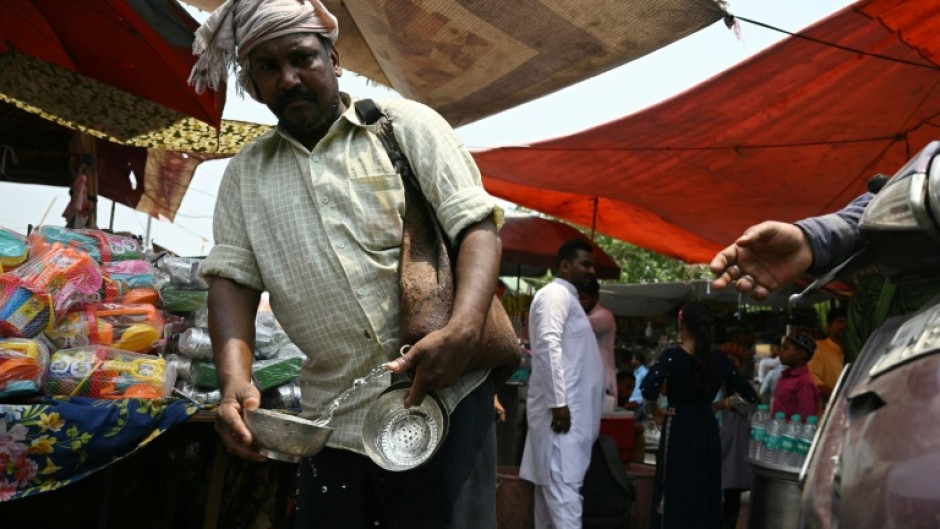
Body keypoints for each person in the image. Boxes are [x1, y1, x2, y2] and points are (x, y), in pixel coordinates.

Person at [189, 2, 504, 527]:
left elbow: (477, 227)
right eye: (267, 67)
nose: (288, 78)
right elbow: (232, 282)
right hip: (329, 425)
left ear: (334, 59)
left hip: (441, 402)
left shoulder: (405, 127)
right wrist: (234, 383)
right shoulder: (247, 174)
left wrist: (466, 329)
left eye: (301, 57)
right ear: (252, 81)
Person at [641, 302, 756, 529]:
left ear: (681, 325)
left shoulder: (671, 356)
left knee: (675, 486)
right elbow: (750, 396)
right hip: (707, 427)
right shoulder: (720, 359)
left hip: (679, 425)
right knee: (705, 486)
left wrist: (654, 411)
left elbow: (648, 389)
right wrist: (721, 404)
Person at [520, 239, 605, 529]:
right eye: (586, 264)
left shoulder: (568, 299)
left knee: (552, 503)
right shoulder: (555, 294)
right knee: (564, 499)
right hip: (561, 423)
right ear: (565, 266)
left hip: (568, 422)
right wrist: (559, 403)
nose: (591, 270)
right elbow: (547, 345)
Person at [579, 277, 618, 412]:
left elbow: (581, 323)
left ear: (595, 298)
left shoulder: (604, 316)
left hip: (604, 380)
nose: (578, 303)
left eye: (582, 298)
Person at [773, 333, 822, 419]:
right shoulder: (785, 376)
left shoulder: (804, 382)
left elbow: (805, 417)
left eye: (785, 348)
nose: (780, 352)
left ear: (800, 354)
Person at [808, 305, 847, 400]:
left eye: (847, 322)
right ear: (829, 327)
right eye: (840, 322)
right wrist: (838, 398)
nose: (844, 326)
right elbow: (811, 378)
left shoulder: (856, 350)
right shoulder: (818, 347)